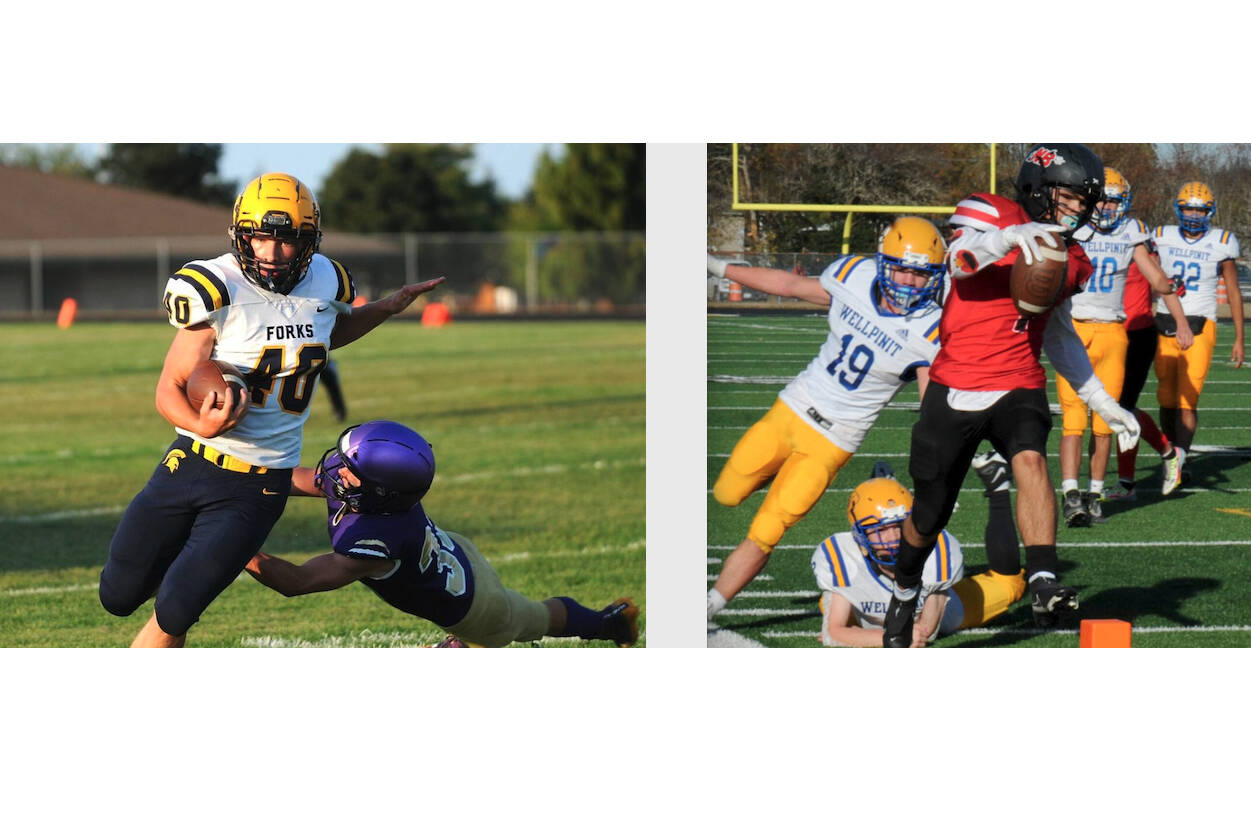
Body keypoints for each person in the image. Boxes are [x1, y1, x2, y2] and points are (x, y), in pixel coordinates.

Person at [100, 173, 445, 648]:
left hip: (260, 483)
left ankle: (196, 572)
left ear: (309, 242)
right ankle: (193, 554)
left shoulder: (328, 280)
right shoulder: (216, 285)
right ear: (240, 235)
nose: (271, 252)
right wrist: (203, 422)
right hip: (191, 461)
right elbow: (169, 389)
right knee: (116, 595)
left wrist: (385, 308)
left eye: (287, 240)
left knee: (176, 609)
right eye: (260, 237)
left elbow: (326, 336)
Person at [882, 143, 1142, 647]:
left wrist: (1102, 401)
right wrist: (1010, 239)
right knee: (927, 516)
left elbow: (1061, 334)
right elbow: (957, 263)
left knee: (1030, 458)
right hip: (956, 381)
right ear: (1040, 191)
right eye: (1070, 197)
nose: (1080, 210)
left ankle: (1043, 578)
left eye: (1083, 201)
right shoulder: (991, 214)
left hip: (1019, 380)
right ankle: (905, 585)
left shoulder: (1073, 256)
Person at [705, 217, 948, 621]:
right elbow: (787, 285)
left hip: (834, 441)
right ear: (883, 262)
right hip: (793, 410)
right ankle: (770, 473)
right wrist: (714, 265)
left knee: (770, 527)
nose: (909, 282)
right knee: (727, 493)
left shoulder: (930, 329)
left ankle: (709, 606)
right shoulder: (853, 277)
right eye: (902, 268)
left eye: (921, 275)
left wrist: (947, 462)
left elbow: (932, 410)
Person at [244, 420, 639, 647]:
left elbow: (297, 582)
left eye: (349, 468)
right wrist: (234, 480)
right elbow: (293, 480)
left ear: (379, 491)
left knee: (535, 617)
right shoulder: (382, 497)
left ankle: (610, 623)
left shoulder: (372, 541)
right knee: (527, 612)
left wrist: (234, 546)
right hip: (455, 556)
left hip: (476, 609)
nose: (335, 469)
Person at [1057, 167, 1192, 525]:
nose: (1107, 206)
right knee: (1073, 421)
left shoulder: (1132, 232)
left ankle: (1095, 494)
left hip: (1115, 333)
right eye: (1101, 198)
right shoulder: (1071, 226)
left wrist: (1175, 306)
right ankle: (1071, 495)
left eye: (1114, 200)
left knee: (1107, 420)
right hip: (1074, 330)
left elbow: (1157, 279)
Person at [813, 473, 1022, 647]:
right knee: (829, 603)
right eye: (880, 530)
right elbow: (834, 633)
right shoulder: (843, 556)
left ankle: (998, 487)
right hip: (871, 615)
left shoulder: (938, 548)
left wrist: (861, 637)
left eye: (898, 526)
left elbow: (925, 632)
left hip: (949, 613)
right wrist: (886, 639)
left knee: (1010, 584)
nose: (892, 538)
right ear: (859, 535)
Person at [1151, 181, 1245, 482]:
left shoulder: (1222, 242)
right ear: (1179, 209)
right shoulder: (1161, 237)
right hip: (1164, 321)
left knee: (1187, 399)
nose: (1194, 214)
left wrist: (1240, 338)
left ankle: (1181, 458)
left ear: (1210, 211)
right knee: (1165, 397)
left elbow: (1233, 292)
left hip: (1201, 323)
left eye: (1200, 209)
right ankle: (1171, 456)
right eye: (1189, 207)